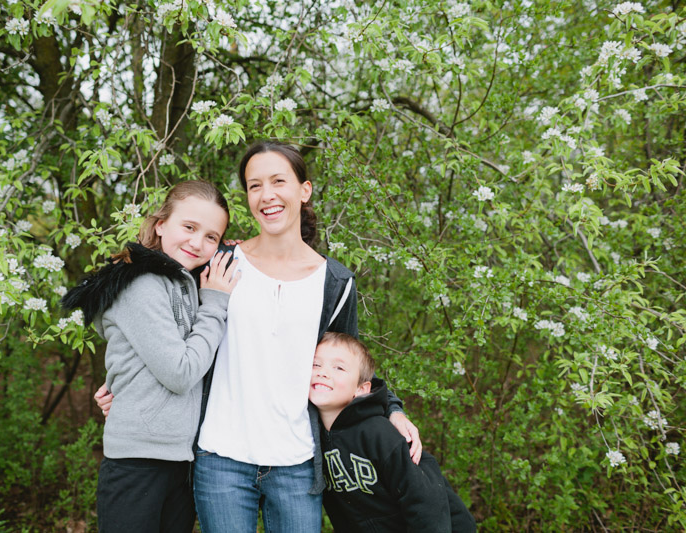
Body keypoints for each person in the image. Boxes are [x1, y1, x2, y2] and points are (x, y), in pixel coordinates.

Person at [96, 141, 421, 532]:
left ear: (304, 190)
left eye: (278, 181)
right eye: (254, 185)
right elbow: (170, 340)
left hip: (298, 463)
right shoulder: (218, 264)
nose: (266, 195)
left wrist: (392, 408)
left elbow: (347, 366)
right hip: (219, 460)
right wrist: (127, 387)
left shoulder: (335, 283)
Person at [62, 181, 240, 533]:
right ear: (160, 224)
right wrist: (217, 303)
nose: (197, 242)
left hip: (180, 458)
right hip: (138, 462)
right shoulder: (140, 284)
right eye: (188, 227)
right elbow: (180, 372)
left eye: (211, 237)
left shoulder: (184, 283)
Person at [311, 332, 477, 532]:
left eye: (339, 367)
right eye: (315, 364)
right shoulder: (311, 437)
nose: (323, 372)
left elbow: (425, 498)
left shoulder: (379, 433)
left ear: (362, 389)